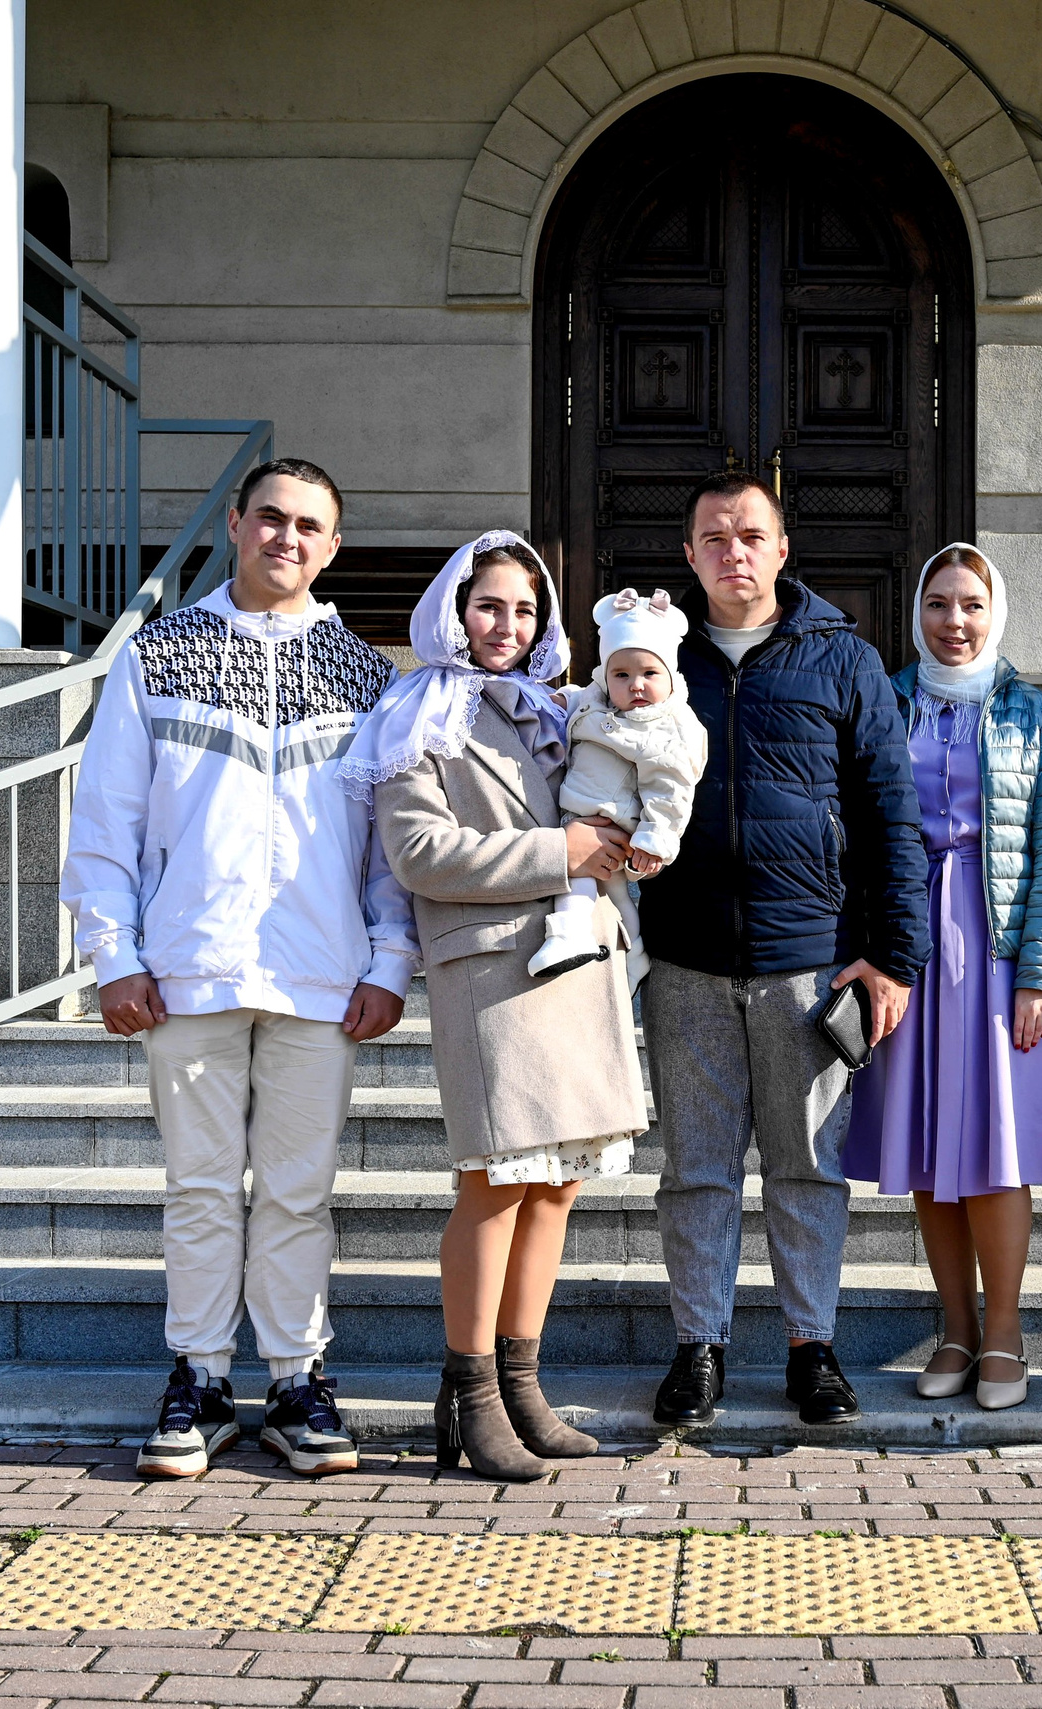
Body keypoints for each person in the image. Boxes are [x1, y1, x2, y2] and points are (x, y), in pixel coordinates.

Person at [62, 457, 414, 1482]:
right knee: (202, 1187)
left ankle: (299, 1381)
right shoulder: (158, 654)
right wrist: (114, 954)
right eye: (271, 518)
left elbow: (386, 843)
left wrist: (389, 957)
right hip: (189, 969)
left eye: (309, 525)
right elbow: (106, 821)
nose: (287, 539)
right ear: (234, 521)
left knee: (300, 1192)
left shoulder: (364, 672)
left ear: (333, 545)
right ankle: (201, 1376)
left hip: (320, 974)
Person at [341, 530, 649, 1482]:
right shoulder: (414, 711)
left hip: (576, 962)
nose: (507, 625)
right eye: (490, 606)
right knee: (497, 1178)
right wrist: (562, 853)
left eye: (525, 609)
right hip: (489, 970)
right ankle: (470, 1394)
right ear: (453, 611)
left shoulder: (559, 709)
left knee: (559, 1182)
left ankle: (522, 1384)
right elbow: (420, 854)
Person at [638, 471, 932, 1428]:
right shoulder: (653, 658)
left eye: (751, 535)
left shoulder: (841, 659)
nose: (734, 553)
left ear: (781, 549)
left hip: (808, 958)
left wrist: (895, 958)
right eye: (714, 538)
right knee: (696, 1167)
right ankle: (700, 1346)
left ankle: (812, 1345)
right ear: (689, 555)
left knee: (806, 1164)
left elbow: (893, 814)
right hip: (683, 959)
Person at [844, 543, 1042, 1414]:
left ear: (997, 614)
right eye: (939, 604)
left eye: (971, 605)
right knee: (926, 1148)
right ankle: (954, 1326)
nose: (955, 622)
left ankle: (1005, 1330)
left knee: (996, 1151)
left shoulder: (1038, 715)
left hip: (995, 951)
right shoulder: (886, 702)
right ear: (918, 612)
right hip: (910, 950)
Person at [528, 588, 708, 989]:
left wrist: (655, 839)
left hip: (614, 824)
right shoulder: (597, 700)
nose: (636, 685)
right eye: (621, 675)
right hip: (577, 814)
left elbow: (672, 789)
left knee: (582, 879)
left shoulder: (668, 727)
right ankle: (636, 955)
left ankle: (568, 934)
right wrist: (559, 698)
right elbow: (581, 697)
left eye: (650, 674)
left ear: (671, 676)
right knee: (618, 899)